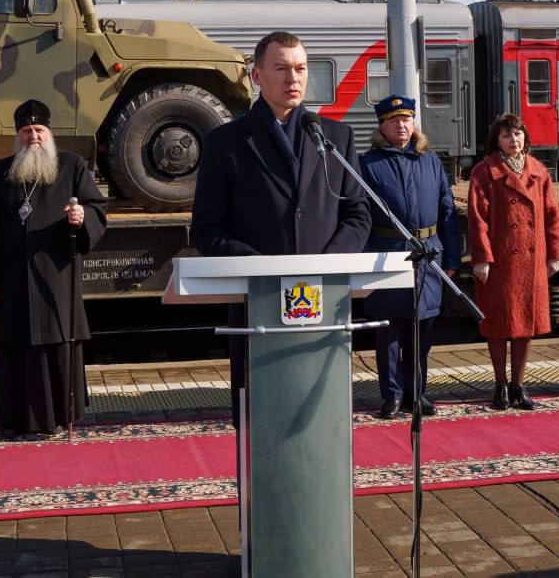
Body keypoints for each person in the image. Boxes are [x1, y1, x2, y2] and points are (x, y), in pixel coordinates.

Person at [191, 31, 371, 423]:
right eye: (282, 69)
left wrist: (326, 265)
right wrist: (264, 271)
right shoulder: (226, 142)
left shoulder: (335, 136)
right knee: (262, 418)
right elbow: (206, 230)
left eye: (301, 69)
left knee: (321, 418)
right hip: (258, 307)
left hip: (325, 304)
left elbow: (358, 213)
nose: (294, 79)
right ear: (256, 76)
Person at [0, 100, 107, 438]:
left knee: (56, 339)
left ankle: (62, 414)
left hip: (57, 275)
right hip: (12, 275)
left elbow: (96, 208)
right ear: (17, 135)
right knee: (16, 341)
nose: (32, 136)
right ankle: (15, 416)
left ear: (49, 133)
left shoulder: (72, 166)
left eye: (38, 130)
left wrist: (83, 218)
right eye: (25, 131)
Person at [358, 95, 459, 418]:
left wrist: (453, 258)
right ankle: (392, 395)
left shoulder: (430, 161)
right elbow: (360, 216)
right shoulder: (368, 164)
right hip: (387, 256)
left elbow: (447, 212)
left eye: (406, 119)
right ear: (381, 126)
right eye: (393, 121)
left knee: (422, 328)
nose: (401, 126)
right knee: (389, 330)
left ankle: (418, 392)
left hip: (428, 256)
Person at [467, 114, 559, 411]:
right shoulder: (484, 172)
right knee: (498, 325)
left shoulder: (538, 171)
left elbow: (552, 216)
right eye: (507, 135)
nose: (514, 140)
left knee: (525, 324)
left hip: (531, 262)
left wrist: (555, 254)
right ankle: (499, 385)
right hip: (499, 262)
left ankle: (518, 385)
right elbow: (476, 219)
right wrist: (482, 258)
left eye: (518, 134)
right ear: (497, 139)